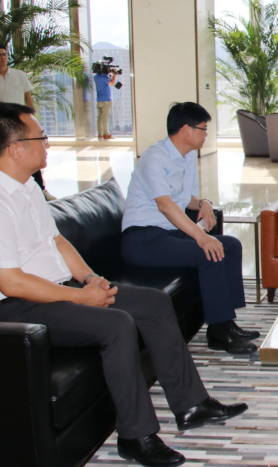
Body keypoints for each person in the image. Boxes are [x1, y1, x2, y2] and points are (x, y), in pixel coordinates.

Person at [0, 103, 248, 467]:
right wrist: (80, 297)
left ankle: (192, 404)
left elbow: (58, 241)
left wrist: (91, 279)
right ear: (15, 148)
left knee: (154, 303)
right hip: (20, 306)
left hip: (59, 288)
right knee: (117, 324)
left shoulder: (29, 189)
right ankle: (136, 436)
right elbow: (11, 281)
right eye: (41, 137)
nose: (48, 144)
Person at [121, 102, 259, 355]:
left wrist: (204, 203)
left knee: (230, 245)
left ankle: (225, 322)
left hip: (166, 235)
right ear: (185, 129)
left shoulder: (187, 157)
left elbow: (184, 200)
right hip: (142, 239)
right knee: (210, 251)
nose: (206, 135)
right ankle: (219, 335)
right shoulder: (154, 157)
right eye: (203, 129)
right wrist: (201, 237)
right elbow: (165, 205)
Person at [0, 45, 54, 200]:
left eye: (4, 54)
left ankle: (41, 190)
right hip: (3, 125)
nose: (2, 58)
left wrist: (32, 117)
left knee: (31, 154)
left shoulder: (19, 74)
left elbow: (27, 96)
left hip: (21, 122)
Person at [94, 68, 117, 140]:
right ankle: (106, 134)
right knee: (105, 118)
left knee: (99, 117)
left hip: (99, 100)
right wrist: (114, 75)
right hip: (106, 100)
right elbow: (112, 83)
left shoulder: (96, 76)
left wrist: (109, 74)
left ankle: (100, 133)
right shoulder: (104, 77)